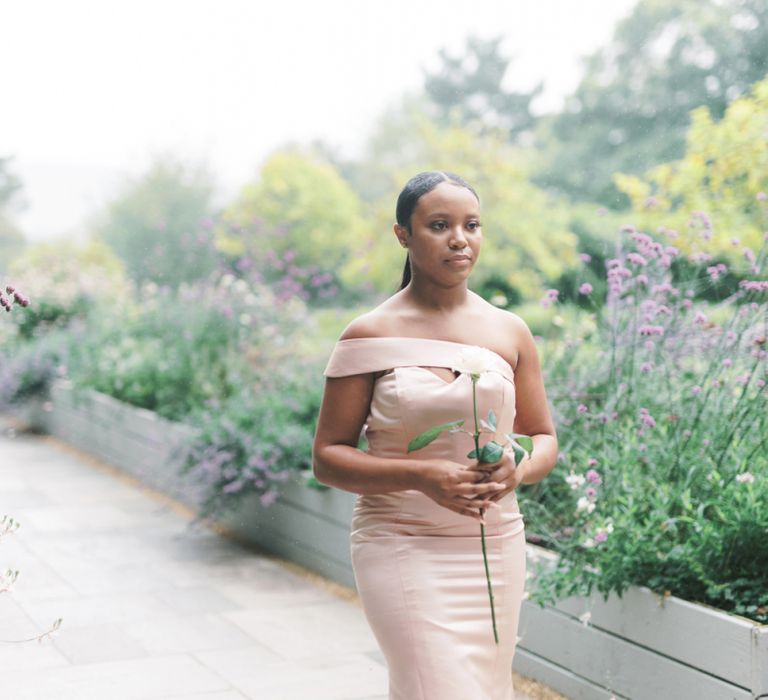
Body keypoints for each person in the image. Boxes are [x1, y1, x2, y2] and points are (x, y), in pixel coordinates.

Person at [312, 171, 558, 700]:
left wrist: (520, 467)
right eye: (439, 225)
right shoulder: (369, 333)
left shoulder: (509, 330)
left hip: (494, 547)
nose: (459, 239)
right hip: (401, 543)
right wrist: (421, 475)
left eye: (471, 225)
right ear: (403, 234)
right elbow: (328, 458)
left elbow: (542, 437)